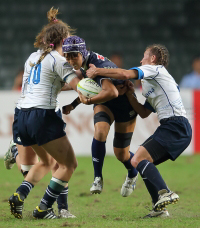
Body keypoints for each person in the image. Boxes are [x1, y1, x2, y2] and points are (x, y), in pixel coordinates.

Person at [86, 44, 192, 218]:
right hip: (176, 127)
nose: (140, 60)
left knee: (137, 159)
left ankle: (166, 192)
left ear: (153, 59)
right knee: (142, 163)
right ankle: (159, 209)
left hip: (174, 126)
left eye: (144, 56)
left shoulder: (154, 69)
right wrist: (129, 95)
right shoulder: (153, 82)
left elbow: (126, 73)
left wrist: (98, 71)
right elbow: (143, 113)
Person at [8, 8, 79, 220]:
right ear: (63, 39)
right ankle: (44, 209)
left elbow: (44, 84)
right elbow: (77, 85)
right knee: (68, 164)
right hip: (43, 116)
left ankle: (19, 195)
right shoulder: (59, 60)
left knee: (47, 162)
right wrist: (91, 87)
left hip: (22, 115)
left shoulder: (32, 57)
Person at [62, 35, 138, 196]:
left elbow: (112, 92)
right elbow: (90, 86)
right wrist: (73, 105)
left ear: (82, 52)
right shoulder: (86, 64)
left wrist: (88, 102)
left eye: (74, 55)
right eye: (67, 56)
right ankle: (97, 178)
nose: (71, 60)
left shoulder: (95, 65)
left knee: (121, 154)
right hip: (105, 102)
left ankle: (133, 172)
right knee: (100, 131)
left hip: (125, 105)